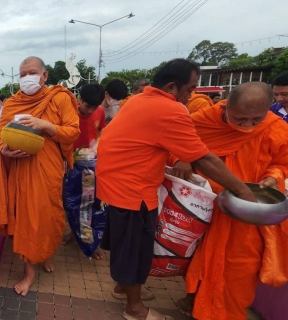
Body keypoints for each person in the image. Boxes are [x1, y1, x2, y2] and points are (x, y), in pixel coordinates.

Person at [95, 58, 256, 320]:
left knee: (127, 245)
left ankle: (123, 287)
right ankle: (134, 308)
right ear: (171, 87)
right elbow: (204, 159)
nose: (191, 95)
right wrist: (245, 193)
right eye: (190, 89)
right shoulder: (170, 109)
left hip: (115, 186)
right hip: (133, 193)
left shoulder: (137, 100)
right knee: (135, 251)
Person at [168, 82, 288, 320]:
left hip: (247, 210)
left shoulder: (276, 128)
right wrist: (180, 157)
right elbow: (176, 146)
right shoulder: (204, 121)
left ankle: (226, 313)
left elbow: (282, 163)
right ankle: (196, 298)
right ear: (226, 107)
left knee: (240, 267)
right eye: (240, 119)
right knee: (198, 256)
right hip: (206, 205)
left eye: (256, 119)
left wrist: (272, 177)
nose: (248, 126)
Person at [0, 56, 80, 296]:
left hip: (48, 171)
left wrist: (45, 126)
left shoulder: (59, 98)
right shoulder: (11, 103)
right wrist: (4, 149)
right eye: (22, 74)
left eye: (31, 72)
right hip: (22, 171)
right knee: (27, 220)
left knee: (48, 216)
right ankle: (30, 270)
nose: (26, 78)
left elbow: (72, 132)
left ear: (44, 76)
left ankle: (44, 254)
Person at [62, 83, 106, 259]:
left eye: (94, 107)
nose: (90, 111)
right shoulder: (69, 113)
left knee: (91, 203)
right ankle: (74, 233)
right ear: (80, 99)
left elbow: (101, 129)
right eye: (87, 106)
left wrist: (98, 143)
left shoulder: (100, 112)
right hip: (72, 166)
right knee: (71, 203)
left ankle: (90, 241)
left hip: (93, 166)